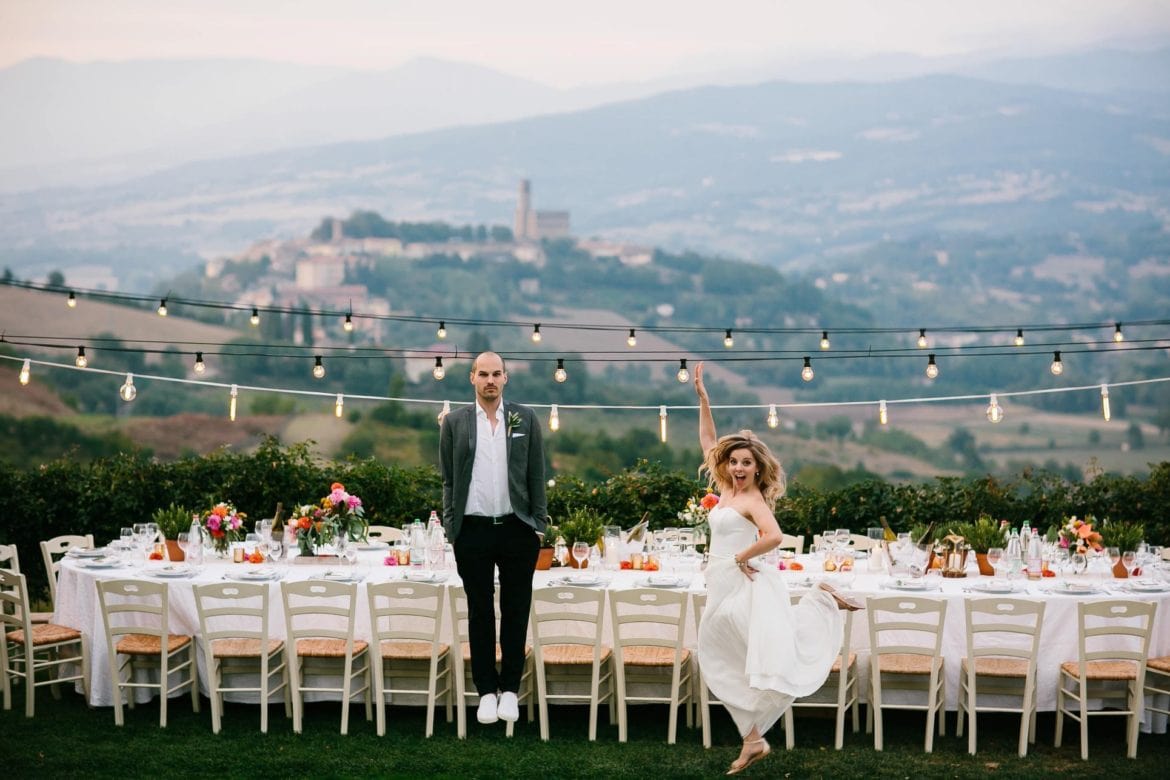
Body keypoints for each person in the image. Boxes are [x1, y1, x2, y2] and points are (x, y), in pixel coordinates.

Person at [693, 361, 860, 775]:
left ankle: (821, 599)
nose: (737, 468)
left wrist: (739, 558)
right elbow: (708, 441)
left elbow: (774, 536)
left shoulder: (753, 501)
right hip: (721, 580)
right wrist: (703, 400)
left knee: (736, 658)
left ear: (757, 467)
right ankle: (753, 739)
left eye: (746, 463)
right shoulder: (726, 491)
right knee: (723, 661)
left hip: (740, 579)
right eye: (733, 462)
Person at [439, 351, 547, 726]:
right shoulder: (454, 422)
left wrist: (539, 524)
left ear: (506, 378)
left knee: (516, 611)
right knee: (480, 612)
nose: (490, 380)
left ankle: (511, 690)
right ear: (472, 378)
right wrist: (453, 527)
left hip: (517, 528)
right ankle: (486, 690)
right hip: (472, 530)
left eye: (496, 374)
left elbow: (536, 474)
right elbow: (449, 480)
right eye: (483, 374)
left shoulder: (525, 418)